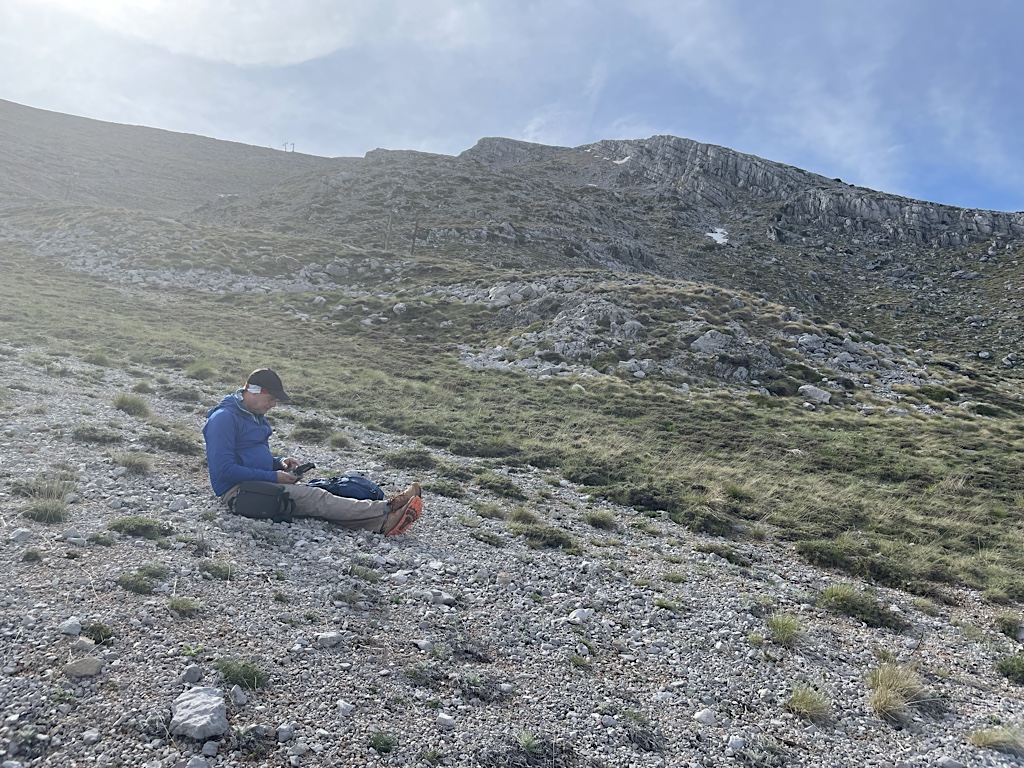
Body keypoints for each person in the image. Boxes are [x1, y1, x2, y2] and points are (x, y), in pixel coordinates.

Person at [202, 368, 422, 535]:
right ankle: (387, 508)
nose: (273, 405)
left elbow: (249, 455)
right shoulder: (223, 419)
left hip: (258, 484)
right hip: (236, 493)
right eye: (271, 399)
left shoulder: (253, 415)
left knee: (319, 498)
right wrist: (273, 476)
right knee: (314, 497)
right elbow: (224, 471)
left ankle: (382, 523)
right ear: (254, 391)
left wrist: (278, 463)